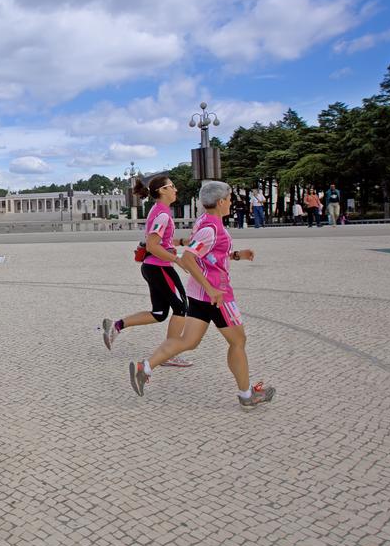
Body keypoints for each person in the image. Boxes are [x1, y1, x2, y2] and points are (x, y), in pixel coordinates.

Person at [129, 180, 275, 409]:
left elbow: (209, 254)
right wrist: (211, 288)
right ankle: (247, 395)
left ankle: (144, 368)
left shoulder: (205, 222)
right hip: (217, 295)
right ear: (220, 202)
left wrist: (237, 255)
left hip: (200, 293)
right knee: (238, 341)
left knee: (188, 341)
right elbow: (188, 257)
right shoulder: (211, 228)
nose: (230, 203)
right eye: (229, 199)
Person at [101, 174, 193, 368]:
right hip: (159, 268)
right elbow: (152, 245)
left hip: (153, 267)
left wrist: (183, 242)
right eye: (172, 186)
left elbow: (161, 241)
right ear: (162, 191)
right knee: (182, 307)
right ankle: (169, 354)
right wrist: (177, 259)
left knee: (159, 313)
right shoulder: (162, 214)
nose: (176, 189)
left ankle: (117, 325)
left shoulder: (159, 211)